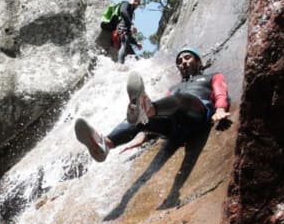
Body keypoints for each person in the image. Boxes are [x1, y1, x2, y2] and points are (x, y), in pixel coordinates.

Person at [74, 46, 230, 162]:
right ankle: (105, 145)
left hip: (196, 113)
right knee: (141, 119)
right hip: (174, 128)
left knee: (179, 99)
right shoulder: (173, 88)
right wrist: (145, 134)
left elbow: (220, 92)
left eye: (188, 58)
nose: (183, 62)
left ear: (198, 61)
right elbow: (164, 111)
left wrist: (220, 109)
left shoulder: (212, 76)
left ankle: (146, 108)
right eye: (180, 61)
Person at [100, 0, 142, 64]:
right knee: (124, 45)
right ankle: (120, 65)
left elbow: (128, 33)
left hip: (121, 33)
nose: (136, 3)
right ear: (130, 0)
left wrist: (136, 42)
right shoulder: (126, 4)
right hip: (120, 31)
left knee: (132, 55)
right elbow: (123, 12)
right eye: (135, 0)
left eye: (138, 3)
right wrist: (131, 24)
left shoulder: (130, 14)